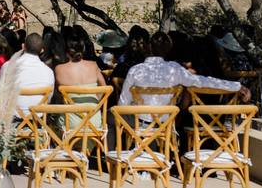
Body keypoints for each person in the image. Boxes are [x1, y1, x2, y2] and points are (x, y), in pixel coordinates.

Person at [119, 32, 250, 108]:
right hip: (165, 124)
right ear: (168, 49)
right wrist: (237, 86)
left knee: (111, 119)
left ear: (149, 48)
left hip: (138, 124)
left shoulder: (135, 70)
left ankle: (115, 153)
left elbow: (122, 103)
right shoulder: (175, 69)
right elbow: (203, 81)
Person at [53, 32, 108, 128]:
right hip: (93, 121)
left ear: (66, 50)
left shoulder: (59, 69)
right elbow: (105, 89)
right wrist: (94, 105)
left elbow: (56, 96)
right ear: (83, 49)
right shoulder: (93, 65)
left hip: (70, 123)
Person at [4, 33, 55, 113]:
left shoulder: (8, 67)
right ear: (42, 50)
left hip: (11, 121)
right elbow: (48, 101)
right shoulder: (49, 72)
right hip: (37, 122)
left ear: (23, 46)